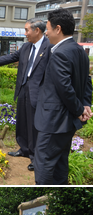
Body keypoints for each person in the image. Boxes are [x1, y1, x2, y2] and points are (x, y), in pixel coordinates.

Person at [0, 18, 51, 171]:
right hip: (23, 88)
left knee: (35, 126)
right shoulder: (26, 46)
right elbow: (11, 57)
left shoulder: (49, 47)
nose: (25, 34)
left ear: (37, 30)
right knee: (22, 121)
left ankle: (36, 158)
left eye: (27, 30)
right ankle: (24, 149)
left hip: (38, 93)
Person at [34, 8, 93, 185]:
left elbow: (65, 88)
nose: (46, 32)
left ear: (58, 29)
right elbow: (86, 80)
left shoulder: (59, 53)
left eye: (48, 28)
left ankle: (45, 196)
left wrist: (79, 109)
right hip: (65, 123)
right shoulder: (79, 50)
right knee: (60, 163)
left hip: (53, 121)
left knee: (43, 164)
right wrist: (85, 104)